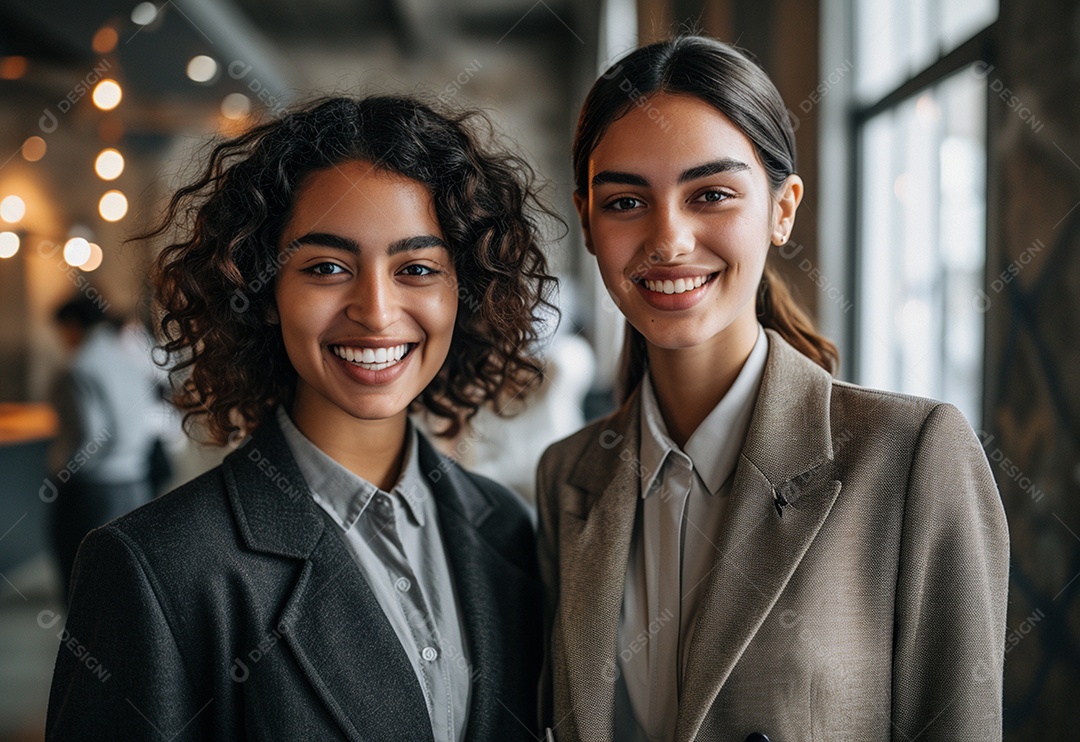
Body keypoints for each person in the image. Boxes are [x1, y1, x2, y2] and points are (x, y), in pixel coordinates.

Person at [536, 36, 1009, 742]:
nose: (668, 239)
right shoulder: (569, 477)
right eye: (627, 201)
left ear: (782, 209)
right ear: (587, 221)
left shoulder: (910, 459)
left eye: (712, 195)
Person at [47, 95, 555, 741]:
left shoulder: (507, 529)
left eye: (418, 269)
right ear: (263, 293)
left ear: (463, 292)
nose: (375, 310)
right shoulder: (157, 569)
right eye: (326, 268)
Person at [47, 297, 161, 600]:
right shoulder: (127, 360)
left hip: (93, 490)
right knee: (125, 585)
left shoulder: (78, 366)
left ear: (71, 327)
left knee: (83, 586)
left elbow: (91, 434)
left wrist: (64, 469)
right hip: (136, 482)